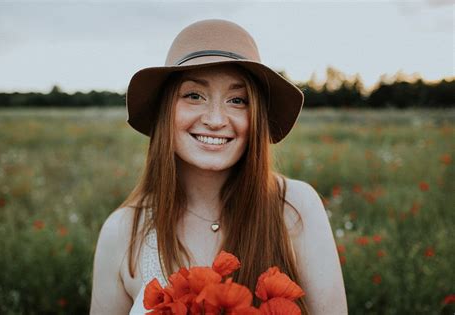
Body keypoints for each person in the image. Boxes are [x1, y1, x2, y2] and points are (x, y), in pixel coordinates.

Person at [90, 19, 347, 314]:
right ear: (165, 110)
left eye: (237, 100)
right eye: (194, 96)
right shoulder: (122, 231)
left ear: (256, 118)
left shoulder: (296, 207)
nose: (215, 119)